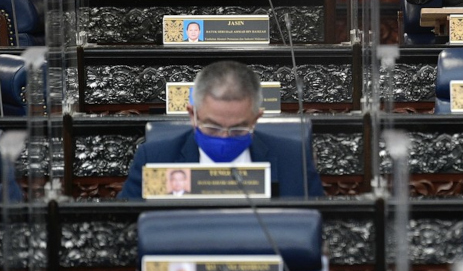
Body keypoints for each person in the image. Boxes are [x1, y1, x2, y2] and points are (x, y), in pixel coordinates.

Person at [119, 61, 324, 199]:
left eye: (238, 129)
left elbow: (316, 231)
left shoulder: (294, 160)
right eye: (212, 127)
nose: (224, 137)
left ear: (256, 118)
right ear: (193, 115)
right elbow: (129, 232)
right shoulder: (155, 159)